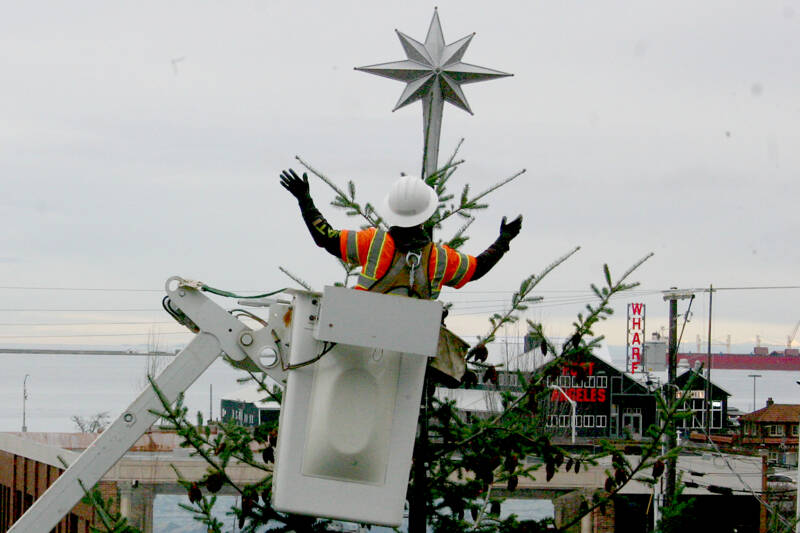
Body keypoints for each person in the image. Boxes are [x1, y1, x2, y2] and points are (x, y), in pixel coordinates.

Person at [280, 168, 522, 382]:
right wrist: (504, 240)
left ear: (392, 211)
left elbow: (326, 238)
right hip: (408, 363)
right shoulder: (440, 258)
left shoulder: (373, 242)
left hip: (355, 348)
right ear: (426, 215)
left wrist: (305, 200)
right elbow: (477, 268)